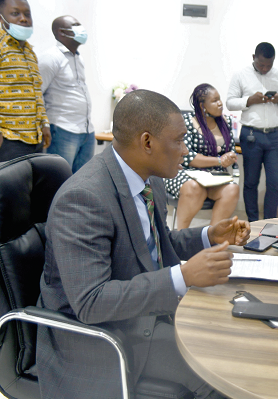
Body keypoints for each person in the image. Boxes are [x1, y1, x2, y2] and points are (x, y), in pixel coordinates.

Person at [37, 89, 251, 399]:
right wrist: (184, 276)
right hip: (102, 338)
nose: (185, 150)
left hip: (142, 314)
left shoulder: (150, 177)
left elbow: (155, 245)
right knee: (221, 372)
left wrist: (209, 236)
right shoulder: (83, 199)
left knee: (229, 334)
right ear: (147, 142)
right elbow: (91, 302)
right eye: (178, 140)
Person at [226, 42, 278, 222]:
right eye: (261, 64)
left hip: (274, 136)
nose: (264, 69)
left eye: (268, 65)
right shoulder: (240, 75)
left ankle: (270, 222)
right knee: (250, 182)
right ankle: (254, 222)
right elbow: (230, 102)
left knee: (274, 182)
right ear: (253, 57)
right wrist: (249, 100)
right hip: (251, 135)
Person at [164, 84, 239, 228]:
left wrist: (230, 157)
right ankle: (181, 235)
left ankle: (212, 237)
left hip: (214, 176)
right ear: (202, 105)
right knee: (194, 187)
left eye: (220, 99)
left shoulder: (226, 122)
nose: (220, 103)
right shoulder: (187, 122)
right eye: (215, 100)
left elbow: (230, 151)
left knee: (232, 189)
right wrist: (219, 160)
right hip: (186, 173)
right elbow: (187, 157)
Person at [38, 15, 94, 173]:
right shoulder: (50, 58)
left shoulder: (78, 58)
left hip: (86, 130)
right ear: (61, 32)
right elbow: (37, 93)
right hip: (62, 130)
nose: (81, 28)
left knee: (82, 182)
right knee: (59, 180)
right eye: (76, 25)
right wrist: (44, 125)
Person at [0, 0, 51, 161]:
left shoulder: (30, 52)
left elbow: (37, 92)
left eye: (27, 14)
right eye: (15, 13)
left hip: (35, 138)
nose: (23, 19)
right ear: (2, 18)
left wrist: (45, 124)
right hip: (8, 139)